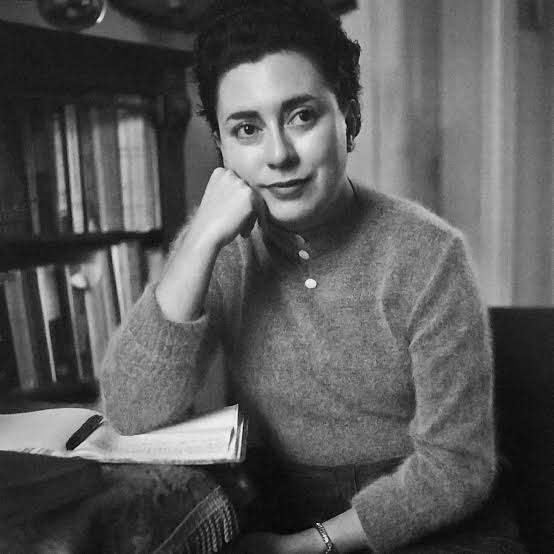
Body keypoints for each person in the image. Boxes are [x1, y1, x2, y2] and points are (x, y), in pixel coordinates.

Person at [100, 0, 525, 552]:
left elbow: (458, 467)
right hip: (284, 503)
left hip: (429, 520)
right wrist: (199, 241)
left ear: (350, 118)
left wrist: (303, 546)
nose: (278, 154)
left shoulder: (430, 254)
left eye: (301, 116)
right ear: (223, 147)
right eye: (247, 129)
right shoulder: (224, 249)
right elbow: (130, 413)